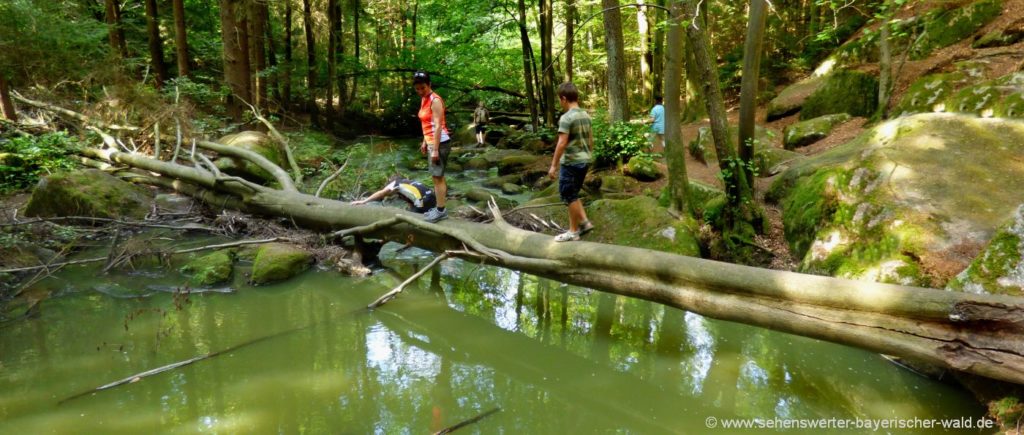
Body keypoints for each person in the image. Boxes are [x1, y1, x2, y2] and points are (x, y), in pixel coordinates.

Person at [548, 82, 595, 242]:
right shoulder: (586, 115)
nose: (559, 103)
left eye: (559, 100)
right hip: (585, 160)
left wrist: (553, 166)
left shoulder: (566, 118)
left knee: (568, 194)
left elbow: (561, 143)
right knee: (573, 195)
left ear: (564, 98)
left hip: (571, 162)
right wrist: (589, 155)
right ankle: (584, 223)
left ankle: (574, 230)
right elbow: (590, 139)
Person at [412, 71, 450, 222]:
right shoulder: (424, 99)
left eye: (423, 88)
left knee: (437, 177)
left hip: (440, 143)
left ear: (429, 85)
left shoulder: (435, 100)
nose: (420, 91)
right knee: (437, 177)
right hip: (431, 142)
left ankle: (441, 211)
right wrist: (424, 141)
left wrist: (434, 148)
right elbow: (426, 123)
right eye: (418, 89)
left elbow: (438, 126)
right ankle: (440, 207)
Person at [351, 175, 436, 213]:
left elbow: (381, 193)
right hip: (433, 198)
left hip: (423, 200)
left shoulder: (395, 183)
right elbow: (412, 200)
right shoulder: (407, 184)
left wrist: (364, 201)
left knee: (413, 219)